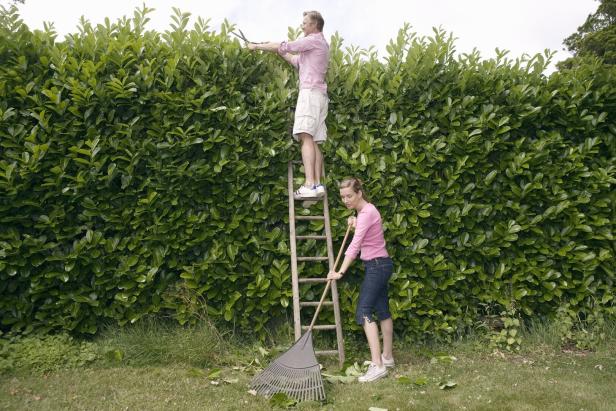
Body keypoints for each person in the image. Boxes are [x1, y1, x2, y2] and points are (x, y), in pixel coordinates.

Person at [247, 11, 329, 199]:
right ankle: (316, 184)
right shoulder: (319, 46)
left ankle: (308, 184)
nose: (302, 26)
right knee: (314, 140)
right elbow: (294, 59)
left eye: (305, 23)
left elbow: (286, 45)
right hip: (320, 96)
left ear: (314, 25)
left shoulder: (312, 40)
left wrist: (257, 46)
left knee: (305, 136)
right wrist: (277, 50)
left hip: (309, 94)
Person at [327, 178, 395, 383]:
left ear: (359, 193)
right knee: (382, 310)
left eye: (349, 196)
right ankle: (387, 357)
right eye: (342, 197)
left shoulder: (366, 213)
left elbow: (355, 246)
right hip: (381, 264)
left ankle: (378, 365)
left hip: (376, 266)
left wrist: (340, 271)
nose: (346, 200)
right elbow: (367, 236)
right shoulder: (366, 211)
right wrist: (355, 223)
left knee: (364, 312)